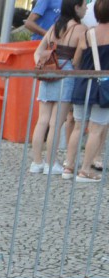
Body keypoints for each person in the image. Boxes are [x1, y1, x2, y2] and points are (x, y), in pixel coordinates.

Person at [31, 0, 86, 174]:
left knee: (42, 120)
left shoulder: (55, 26)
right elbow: (77, 60)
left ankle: (37, 161)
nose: (86, 9)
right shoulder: (80, 29)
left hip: (49, 72)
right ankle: (50, 163)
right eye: (84, 5)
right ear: (76, 8)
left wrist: (41, 64)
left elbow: (38, 51)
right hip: (66, 73)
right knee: (56, 122)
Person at [65, 0, 109, 182]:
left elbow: (77, 61)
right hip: (104, 87)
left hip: (84, 84)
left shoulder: (88, 33)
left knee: (78, 126)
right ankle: (84, 170)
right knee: (96, 129)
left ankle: (68, 167)